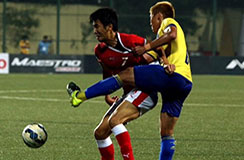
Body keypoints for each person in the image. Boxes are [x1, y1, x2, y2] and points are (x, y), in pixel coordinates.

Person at [67, 1, 192, 160]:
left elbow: (164, 41)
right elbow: (149, 57)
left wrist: (161, 60)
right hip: (183, 83)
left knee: (117, 114)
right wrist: (107, 94)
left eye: (97, 27)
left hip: (154, 85)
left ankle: (80, 96)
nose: (94, 31)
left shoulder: (164, 24)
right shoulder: (100, 51)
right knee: (101, 133)